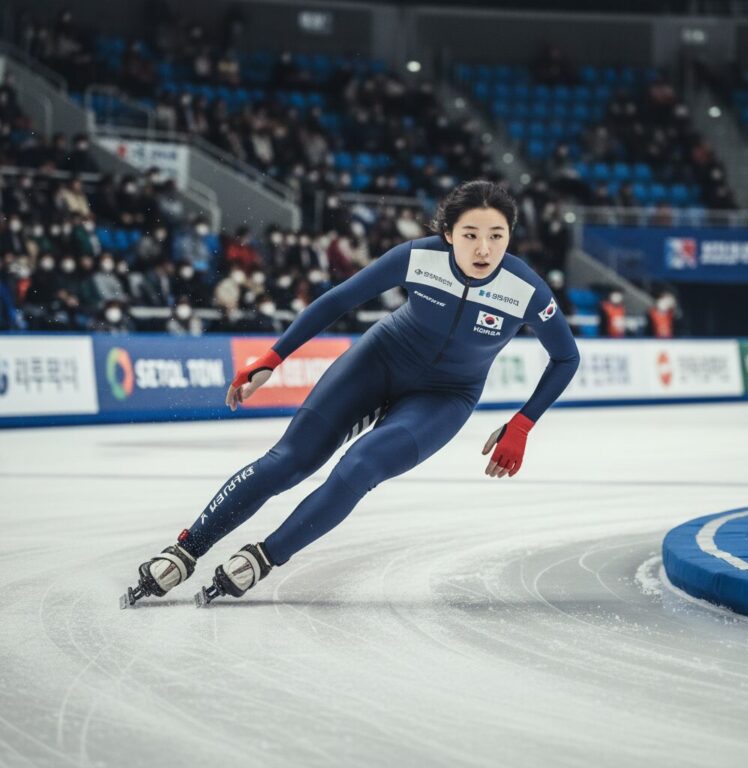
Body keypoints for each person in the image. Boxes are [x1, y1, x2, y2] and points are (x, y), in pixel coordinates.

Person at [122, 181, 580, 608]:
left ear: (510, 236)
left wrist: (523, 423)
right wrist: (272, 358)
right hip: (379, 361)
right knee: (289, 461)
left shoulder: (525, 290)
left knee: (358, 469)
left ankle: (264, 557)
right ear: (447, 234)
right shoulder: (417, 257)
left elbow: (566, 357)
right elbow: (337, 301)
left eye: (497, 236)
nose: (484, 249)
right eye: (471, 235)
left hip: (445, 396)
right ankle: (186, 550)